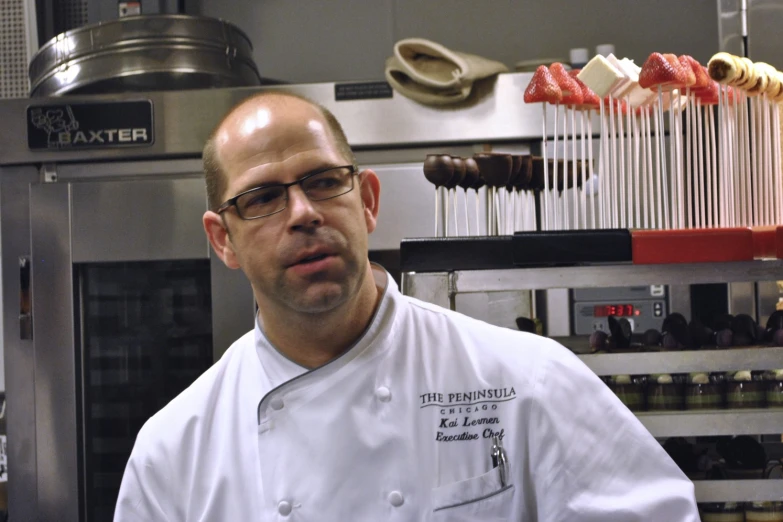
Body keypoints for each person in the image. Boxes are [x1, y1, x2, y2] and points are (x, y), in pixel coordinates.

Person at [114, 91, 700, 521]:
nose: (303, 213)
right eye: (264, 197)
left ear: (366, 201)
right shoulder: (174, 453)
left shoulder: (525, 382)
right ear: (223, 240)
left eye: (322, 181)